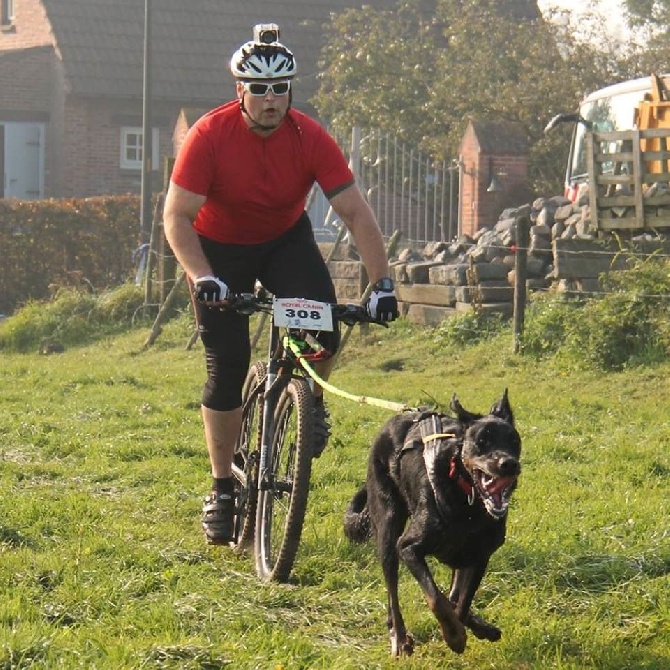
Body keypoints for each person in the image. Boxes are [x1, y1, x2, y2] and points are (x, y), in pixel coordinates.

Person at [163, 24, 398, 546]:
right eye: (260, 89)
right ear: (239, 92)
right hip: (218, 248)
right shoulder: (209, 135)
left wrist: (382, 283)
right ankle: (223, 488)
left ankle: (308, 400)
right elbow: (176, 217)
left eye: (281, 89)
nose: (271, 100)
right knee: (225, 367)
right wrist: (203, 276)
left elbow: (355, 213)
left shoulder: (310, 137)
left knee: (326, 328)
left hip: (283, 240)